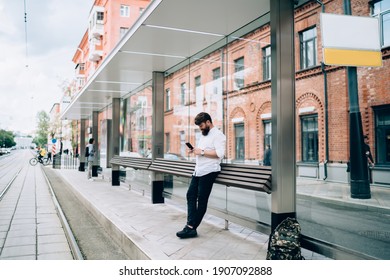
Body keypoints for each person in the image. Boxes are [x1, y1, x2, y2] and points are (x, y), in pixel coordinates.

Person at [176, 112, 226, 239]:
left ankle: (191, 227)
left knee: (202, 200)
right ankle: (190, 226)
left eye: (202, 125)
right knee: (190, 195)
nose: (201, 128)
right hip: (198, 170)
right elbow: (203, 151)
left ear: (208, 122)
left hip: (209, 171)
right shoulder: (204, 135)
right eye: (199, 126)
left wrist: (202, 152)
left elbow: (220, 153)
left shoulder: (219, 135)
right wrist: (196, 151)